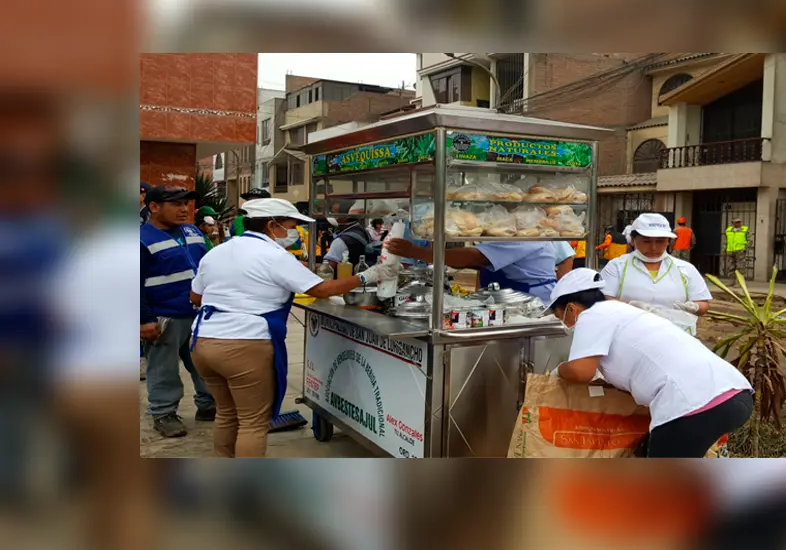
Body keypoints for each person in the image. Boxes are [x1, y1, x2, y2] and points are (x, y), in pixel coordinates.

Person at [189, 198, 400, 457]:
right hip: (244, 344)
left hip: (204, 342)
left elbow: (196, 297)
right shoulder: (274, 256)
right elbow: (319, 289)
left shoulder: (218, 251)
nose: (293, 232)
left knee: (227, 413)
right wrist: (369, 275)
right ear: (271, 225)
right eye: (290, 225)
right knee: (253, 422)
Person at [548, 268, 753, 458]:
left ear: (571, 308)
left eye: (561, 316)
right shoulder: (622, 312)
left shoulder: (591, 316)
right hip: (735, 396)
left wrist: (559, 371)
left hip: (692, 407)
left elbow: (580, 372)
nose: (564, 323)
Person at [140, 186, 216, 438]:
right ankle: (163, 413)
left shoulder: (193, 232)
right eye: (176, 204)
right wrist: (144, 319)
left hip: (199, 314)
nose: (184, 209)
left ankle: (208, 406)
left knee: (205, 363)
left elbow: (207, 266)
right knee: (164, 369)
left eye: (186, 204)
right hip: (164, 316)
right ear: (154, 207)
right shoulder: (141, 240)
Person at [599, 214, 712, 336]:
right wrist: (629, 307)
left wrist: (694, 307)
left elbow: (703, 304)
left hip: (677, 338)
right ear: (633, 240)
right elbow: (603, 300)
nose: (653, 248)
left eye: (660, 242)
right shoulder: (617, 266)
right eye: (646, 241)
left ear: (668, 242)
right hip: (630, 337)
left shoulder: (685, 269)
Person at [386, 239, 563, 304]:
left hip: (532, 303)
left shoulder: (525, 238)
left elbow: (474, 257)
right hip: (511, 297)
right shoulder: (512, 236)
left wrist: (416, 252)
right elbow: (479, 262)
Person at [724, 217, 750, 285]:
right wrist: (724, 249)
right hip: (730, 250)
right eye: (736, 222)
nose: (738, 223)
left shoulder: (744, 229)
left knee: (740, 267)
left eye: (739, 222)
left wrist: (745, 248)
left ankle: (739, 282)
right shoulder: (728, 230)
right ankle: (731, 281)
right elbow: (726, 241)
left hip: (740, 250)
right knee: (731, 266)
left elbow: (750, 240)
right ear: (732, 223)